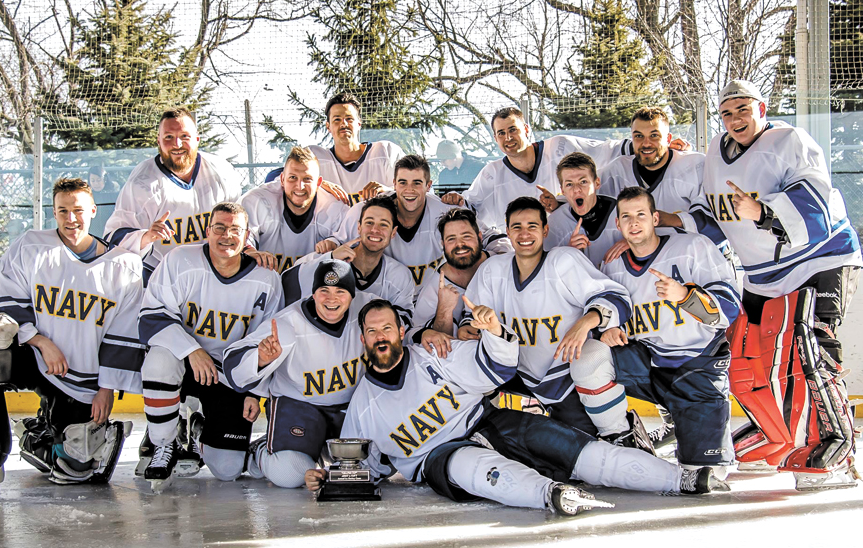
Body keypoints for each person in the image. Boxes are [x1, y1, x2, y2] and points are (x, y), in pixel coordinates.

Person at [304, 300, 727, 515]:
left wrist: (493, 332)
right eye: (371, 330)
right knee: (467, 465)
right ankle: (551, 496)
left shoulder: (436, 354)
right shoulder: (363, 405)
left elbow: (495, 366)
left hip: (485, 420)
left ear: (401, 331)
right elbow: (365, 469)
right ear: (362, 338)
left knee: (573, 448)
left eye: (387, 327)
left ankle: (685, 479)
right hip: (438, 458)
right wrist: (326, 477)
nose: (380, 335)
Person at [662, 79, 861, 488]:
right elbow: (713, 217)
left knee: (812, 348)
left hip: (818, 260)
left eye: (743, 109)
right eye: (727, 112)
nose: (735, 119)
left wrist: (764, 211)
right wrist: (669, 218)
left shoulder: (791, 141)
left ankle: (838, 445)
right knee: (747, 358)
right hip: (762, 274)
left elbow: (817, 198)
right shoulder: (715, 155)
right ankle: (775, 437)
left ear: (762, 108)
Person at [0, 178, 143, 493]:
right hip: (35, 356)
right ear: (54, 212)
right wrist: (39, 340)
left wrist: (106, 390)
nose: (71, 219)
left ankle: (39, 434)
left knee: (75, 468)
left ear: (93, 210)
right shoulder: (32, 246)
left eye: (78, 210)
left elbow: (124, 337)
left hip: (81, 379)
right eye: (62, 211)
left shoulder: (125, 267)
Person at [574, 187, 740, 479]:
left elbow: (728, 308)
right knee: (588, 357)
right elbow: (607, 310)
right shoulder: (613, 265)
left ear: (654, 218)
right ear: (618, 224)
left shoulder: (693, 247)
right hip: (647, 362)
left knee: (705, 475)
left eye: (640, 215)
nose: (634, 223)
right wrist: (608, 330)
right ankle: (623, 437)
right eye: (626, 217)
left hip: (696, 364)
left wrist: (685, 296)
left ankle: (686, 427)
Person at [462, 196, 652, 451]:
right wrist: (472, 325)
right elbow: (470, 317)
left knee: (590, 359)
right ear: (507, 231)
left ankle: (621, 432)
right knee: (462, 361)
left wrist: (585, 322)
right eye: (517, 227)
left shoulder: (564, 260)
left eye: (532, 226)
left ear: (545, 229)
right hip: (519, 375)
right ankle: (476, 434)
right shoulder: (492, 270)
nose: (524, 233)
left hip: (568, 377)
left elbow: (616, 298)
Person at [138, 202, 283, 492]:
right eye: (220, 228)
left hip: (229, 375)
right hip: (187, 363)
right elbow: (151, 317)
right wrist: (191, 349)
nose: (226, 236)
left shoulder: (266, 279)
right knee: (158, 359)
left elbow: (268, 342)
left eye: (235, 230)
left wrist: (254, 392)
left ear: (246, 238)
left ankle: (199, 429)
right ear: (208, 231)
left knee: (227, 471)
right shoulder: (180, 260)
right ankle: (164, 443)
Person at [221, 260, 376, 489]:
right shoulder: (287, 323)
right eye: (324, 291)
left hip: (349, 408)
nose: (331, 299)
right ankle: (261, 452)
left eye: (340, 291)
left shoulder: (369, 310)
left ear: (352, 295)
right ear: (313, 293)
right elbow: (232, 363)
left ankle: (320, 452)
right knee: (290, 474)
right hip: (299, 406)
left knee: (378, 463)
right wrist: (261, 358)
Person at [332, 155, 510, 297]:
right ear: (394, 184)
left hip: (434, 299)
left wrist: (495, 261)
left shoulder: (446, 209)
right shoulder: (367, 212)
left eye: (417, 183)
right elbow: (336, 245)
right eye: (403, 182)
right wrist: (330, 248)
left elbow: (491, 238)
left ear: (428, 186)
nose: (409, 189)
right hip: (386, 299)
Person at [104, 107, 243, 279]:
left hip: (216, 274)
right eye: (169, 137)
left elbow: (241, 224)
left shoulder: (221, 171)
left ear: (197, 139)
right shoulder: (141, 184)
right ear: (159, 141)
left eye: (184, 137)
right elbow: (112, 238)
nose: (177, 144)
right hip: (164, 278)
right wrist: (146, 237)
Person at [440, 106, 630, 230]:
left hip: (576, 239)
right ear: (495, 138)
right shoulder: (492, 174)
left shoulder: (560, 147)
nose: (508, 138)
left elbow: (607, 151)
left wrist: (642, 145)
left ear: (526, 129)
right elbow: (471, 205)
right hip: (526, 255)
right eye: (501, 133)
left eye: (513, 129)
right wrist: (456, 199)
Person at [281, 196, 414, 327]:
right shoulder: (330, 257)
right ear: (359, 227)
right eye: (369, 222)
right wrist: (330, 258)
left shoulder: (399, 276)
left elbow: (405, 321)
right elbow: (286, 283)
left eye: (383, 224)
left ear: (393, 232)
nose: (375, 230)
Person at [240, 146, 349, 273]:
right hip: (266, 283)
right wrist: (249, 250)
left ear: (319, 183)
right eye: (293, 177)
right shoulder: (259, 200)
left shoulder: (334, 207)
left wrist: (335, 242)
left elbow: (350, 240)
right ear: (282, 179)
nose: (300, 186)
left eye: (307, 179)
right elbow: (237, 234)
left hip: (311, 288)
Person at [406, 208, 492, 351]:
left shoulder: (500, 263)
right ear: (443, 244)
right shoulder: (434, 288)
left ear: (480, 237)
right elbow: (434, 349)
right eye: (451, 239)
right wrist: (444, 311)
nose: (460, 244)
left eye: (466, 236)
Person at [309, 92, 405, 206]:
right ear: (328, 126)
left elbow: (416, 186)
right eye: (337, 119)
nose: (343, 124)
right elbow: (285, 178)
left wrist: (387, 192)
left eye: (349, 118)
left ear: (359, 123)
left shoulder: (386, 152)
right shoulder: (314, 157)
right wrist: (315, 183)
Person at [544, 152, 623, 269]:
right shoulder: (554, 224)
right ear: (562, 190)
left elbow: (653, 242)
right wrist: (567, 253)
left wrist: (634, 243)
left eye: (583, 182)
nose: (577, 189)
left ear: (596, 183)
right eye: (569, 184)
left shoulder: (623, 212)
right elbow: (546, 272)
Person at [87, 165, 121, 238]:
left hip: (111, 233)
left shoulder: (114, 195)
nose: (96, 183)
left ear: (104, 179)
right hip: (92, 234)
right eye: (93, 180)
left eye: (99, 180)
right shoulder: (87, 196)